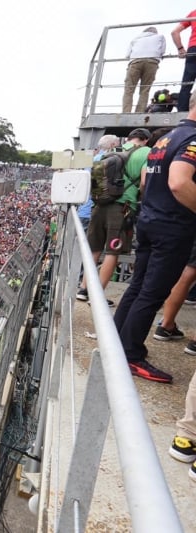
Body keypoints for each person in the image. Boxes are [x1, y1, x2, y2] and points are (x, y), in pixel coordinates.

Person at [114, 93, 196, 383]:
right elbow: (179, 182)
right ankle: (130, 355)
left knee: (137, 287)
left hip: (150, 220)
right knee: (152, 293)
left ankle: (116, 342)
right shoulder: (192, 139)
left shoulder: (165, 138)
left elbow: (148, 181)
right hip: (172, 227)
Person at [77, 129, 150, 306]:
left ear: (130, 138)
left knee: (94, 249)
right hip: (122, 207)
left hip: (99, 204)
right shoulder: (146, 152)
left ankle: (83, 289)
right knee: (112, 252)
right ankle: (97, 296)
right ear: (145, 140)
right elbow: (143, 182)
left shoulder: (114, 150)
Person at [122, 27, 166, 113]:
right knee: (145, 90)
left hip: (135, 61)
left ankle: (126, 112)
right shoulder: (160, 37)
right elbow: (162, 51)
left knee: (129, 89)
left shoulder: (135, 39)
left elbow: (127, 55)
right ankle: (139, 112)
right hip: (152, 62)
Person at [173, 10, 196, 113]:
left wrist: (180, 49)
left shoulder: (193, 13)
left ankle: (182, 111)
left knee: (187, 83)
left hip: (193, 50)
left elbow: (174, 32)